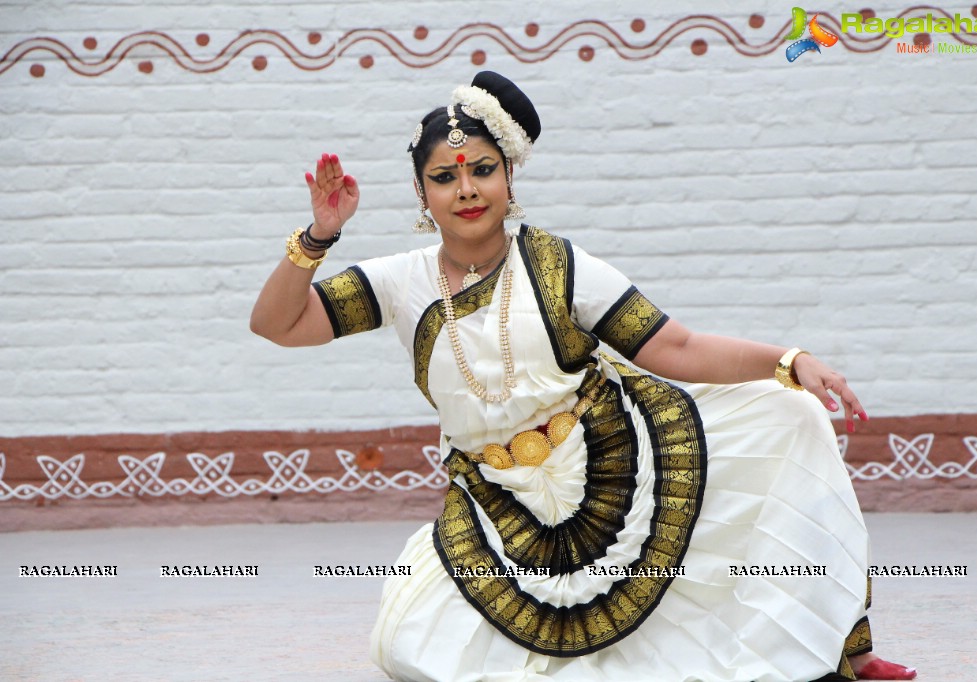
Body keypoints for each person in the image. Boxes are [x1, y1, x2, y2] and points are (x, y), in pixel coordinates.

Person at [250, 72, 916, 682]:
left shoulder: (558, 266)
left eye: (482, 170)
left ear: (509, 177)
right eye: (445, 177)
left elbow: (676, 347)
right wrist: (317, 237)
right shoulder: (399, 282)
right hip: (498, 502)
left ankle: (842, 648)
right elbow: (277, 324)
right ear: (421, 192)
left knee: (787, 414)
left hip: (609, 468)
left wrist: (787, 361)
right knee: (405, 643)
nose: (467, 190)